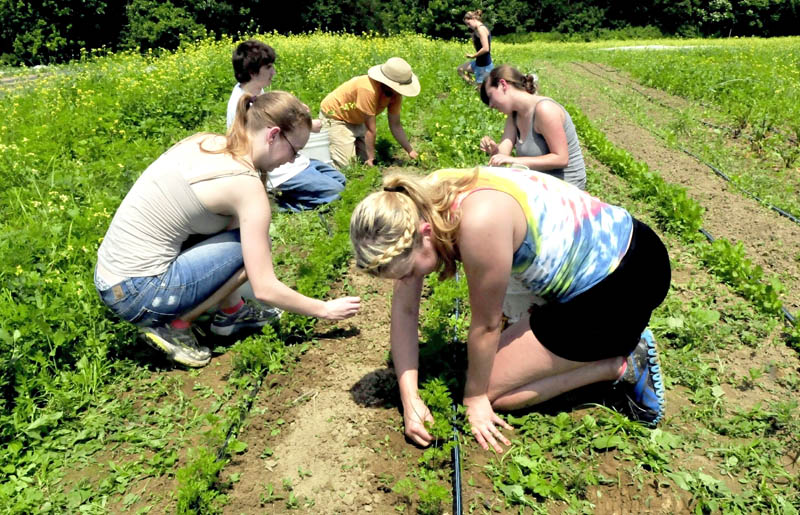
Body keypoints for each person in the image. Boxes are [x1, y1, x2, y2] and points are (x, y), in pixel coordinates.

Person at [350, 166, 669, 452]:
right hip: (621, 246)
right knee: (490, 368)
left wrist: (475, 399)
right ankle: (595, 345)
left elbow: (485, 326)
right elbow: (405, 312)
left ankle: (620, 363)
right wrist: (410, 399)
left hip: (623, 283)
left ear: (425, 233)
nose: (408, 281)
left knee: (492, 393)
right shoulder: (422, 202)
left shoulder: (478, 223)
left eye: (408, 273)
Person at [95, 91, 361, 368]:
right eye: (295, 150)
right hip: (141, 294)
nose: (294, 161)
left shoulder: (207, 142)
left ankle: (230, 313)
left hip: (110, 280)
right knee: (253, 250)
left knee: (236, 235)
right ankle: (175, 325)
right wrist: (325, 309)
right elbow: (265, 288)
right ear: (272, 136)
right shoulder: (245, 186)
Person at [227, 39, 346, 212]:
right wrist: (308, 125)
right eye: (268, 68)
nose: (273, 72)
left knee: (340, 179)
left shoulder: (256, 91)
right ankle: (277, 203)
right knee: (336, 192)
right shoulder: (243, 103)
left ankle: (284, 195)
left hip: (292, 161)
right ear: (253, 72)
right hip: (278, 168)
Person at [479, 65, 587, 191]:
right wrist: (493, 149)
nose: (491, 105)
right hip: (540, 182)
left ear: (503, 85)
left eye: (491, 96)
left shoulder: (544, 109)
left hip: (566, 186)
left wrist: (515, 160)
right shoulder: (513, 115)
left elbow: (561, 158)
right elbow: (503, 155)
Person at [319, 57, 420, 169]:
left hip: (358, 119)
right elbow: (370, 130)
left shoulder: (395, 95)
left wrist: (410, 151)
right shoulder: (368, 89)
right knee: (346, 166)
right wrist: (371, 158)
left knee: (362, 162)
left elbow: (395, 125)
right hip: (336, 117)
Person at [457, 10, 493, 85]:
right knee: (460, 69)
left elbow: (486, 48)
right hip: (477, 63)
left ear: (473, 19)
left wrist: (473, 55)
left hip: (484, 66)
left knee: (480, 92)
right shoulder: (476, 30)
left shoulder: (481, 29)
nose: (468, 26)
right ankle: (472, 84)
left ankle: (475, 86)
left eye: (469, 23)